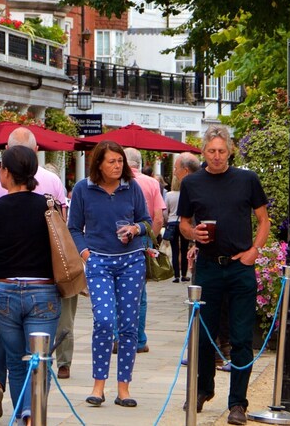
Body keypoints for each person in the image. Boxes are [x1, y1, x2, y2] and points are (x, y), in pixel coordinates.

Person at [0, 127, 68, 415]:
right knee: (40, 358)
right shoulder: (47, 206)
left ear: (7, 173)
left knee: (14, 359)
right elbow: (59, 244)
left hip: (5, 286)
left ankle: (21, 411)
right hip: (42, 287)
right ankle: (32, 412)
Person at [177, 125, 269, 426]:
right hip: (207, 266)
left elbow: (263, 219)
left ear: (230, 150)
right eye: (211, 151)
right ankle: (204, 389)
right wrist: (193, 233)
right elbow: (183, 223)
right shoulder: (193, 183)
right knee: (203, 334)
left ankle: (238, 403)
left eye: (221, 151)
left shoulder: (247, 179)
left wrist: (255, 249)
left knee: (242, 338)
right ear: (203, 152)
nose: (216, 156)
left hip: (240, 265)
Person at [69, 140, 151, 409]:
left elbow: (147, 222)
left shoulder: (132, 187)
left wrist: (136, 229)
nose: (117, 166)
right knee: (104, 321)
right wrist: (86, 255)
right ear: (99, 165)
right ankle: (98, 385)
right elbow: (73, 228)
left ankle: (123, 388)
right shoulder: (84, 189)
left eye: (120, 161)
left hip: (131, 262)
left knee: (128, 325)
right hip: (99, 263)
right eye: (112, 162)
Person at [123, 147, 166, 354]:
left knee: (115, 291)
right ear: (139, 163)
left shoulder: (117, 182)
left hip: (118, 243)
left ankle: (117, 337)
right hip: (142, 241)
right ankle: (139, 339)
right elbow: (158, 218)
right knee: (140, 295)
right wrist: (150, 240)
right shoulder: (151, 183)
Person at [166, 153, 199, 283]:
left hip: (174, 224)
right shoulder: (190, 188)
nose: (174, 173)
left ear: (185, 170)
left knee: (176, 251)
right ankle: (183, 274)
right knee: (183, 249)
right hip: (191, 236)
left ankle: (177, 275)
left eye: (175, 169)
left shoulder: (196, 189)